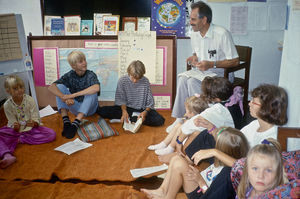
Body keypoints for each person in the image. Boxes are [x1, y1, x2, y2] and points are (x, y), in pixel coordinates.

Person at [168, 1, 239, 132]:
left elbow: (235, 61)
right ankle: (180, 118)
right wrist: (194, 57)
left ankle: (200, 119)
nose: (190, 22)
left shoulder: (222, 33)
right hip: (203, 71)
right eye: (190, 18)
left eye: (193, 19)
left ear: (204, 19)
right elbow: (197, 52)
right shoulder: (194, 33)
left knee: (192, 82)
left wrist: (212, 64)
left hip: (221, 74)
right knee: (183, 79)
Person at [141, 127, 249, 199]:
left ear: (222, 150)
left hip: (201, 193)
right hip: (199, 181)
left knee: (179, 163)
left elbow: (211, 195)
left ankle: (167, 196)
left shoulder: (227, 175)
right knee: (176, 159)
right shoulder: (227, 162)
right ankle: (162, 191)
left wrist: (200, 180)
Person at [0, 75, 56, 169]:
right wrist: (15, 127)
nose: (20, 90)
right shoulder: (7, 105)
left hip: (31, 130)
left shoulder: (30, 100)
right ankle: (7, 155)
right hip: (14, 131)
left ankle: (21, 140)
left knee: (51, 134)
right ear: (8, 91)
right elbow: (12, 121)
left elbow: (35, 116)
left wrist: (34, 123)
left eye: (21, 87)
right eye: (15, 88)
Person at [48, 50, 100, 139]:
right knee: (59, 86)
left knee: (92, 92)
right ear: (73, 66)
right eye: (81, 61)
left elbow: (96, 88)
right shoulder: (70, 75)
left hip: (90, 109)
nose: (84, 63)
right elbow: (51, 87)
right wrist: (64, 98)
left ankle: (76, 123)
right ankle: (66, 122)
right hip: (75, 107)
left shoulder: (91, 74)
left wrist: (71, 96)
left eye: (84, 60)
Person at [97, 60, 165, 126]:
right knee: (102, 111)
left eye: (138, 78)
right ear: (129, 73)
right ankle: (135, 119)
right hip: (126, 108)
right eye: (133, 77)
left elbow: (150, 102)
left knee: (159, 120)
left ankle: (133, 119)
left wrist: (145, 112)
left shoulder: (145, 81)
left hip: (141, 110)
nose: (135, 81)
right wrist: (124, 111)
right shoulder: (122, 81)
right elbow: (121, 100)